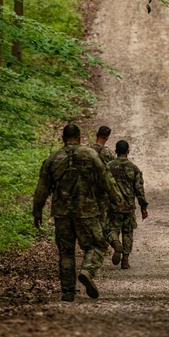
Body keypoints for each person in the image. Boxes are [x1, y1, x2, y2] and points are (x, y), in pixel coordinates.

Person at [33, 124, 127, 301]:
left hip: (61, 213)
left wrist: (37, 212)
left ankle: (68, 292)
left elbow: (42, 188)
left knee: (66, 251)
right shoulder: (90, 155)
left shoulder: (53, 158)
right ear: (79, 136)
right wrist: (117, 200)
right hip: (87, 211)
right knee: (98, 244)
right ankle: (87, 270)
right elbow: (106, 178)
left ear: (63, 138)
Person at [106, 140, 149, 269]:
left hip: (113, 206)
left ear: (115, 151)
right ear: (128, 152)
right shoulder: (133, 168)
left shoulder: (108, 166)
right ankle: (125, 259)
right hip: (129, 207)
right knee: (128, 232)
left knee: (111, 229)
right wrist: (143, 207)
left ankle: (115, 243)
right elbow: (139, 189)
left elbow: (102, 186)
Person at [89, 125, 122, 255]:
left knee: (91, 219)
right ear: (107, 138)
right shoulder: (108, 153)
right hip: (103, 192)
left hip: (88, 191)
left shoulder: (87, 150)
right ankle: (109, 242)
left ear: (96, 133)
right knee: (104, 219)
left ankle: (95, 246)